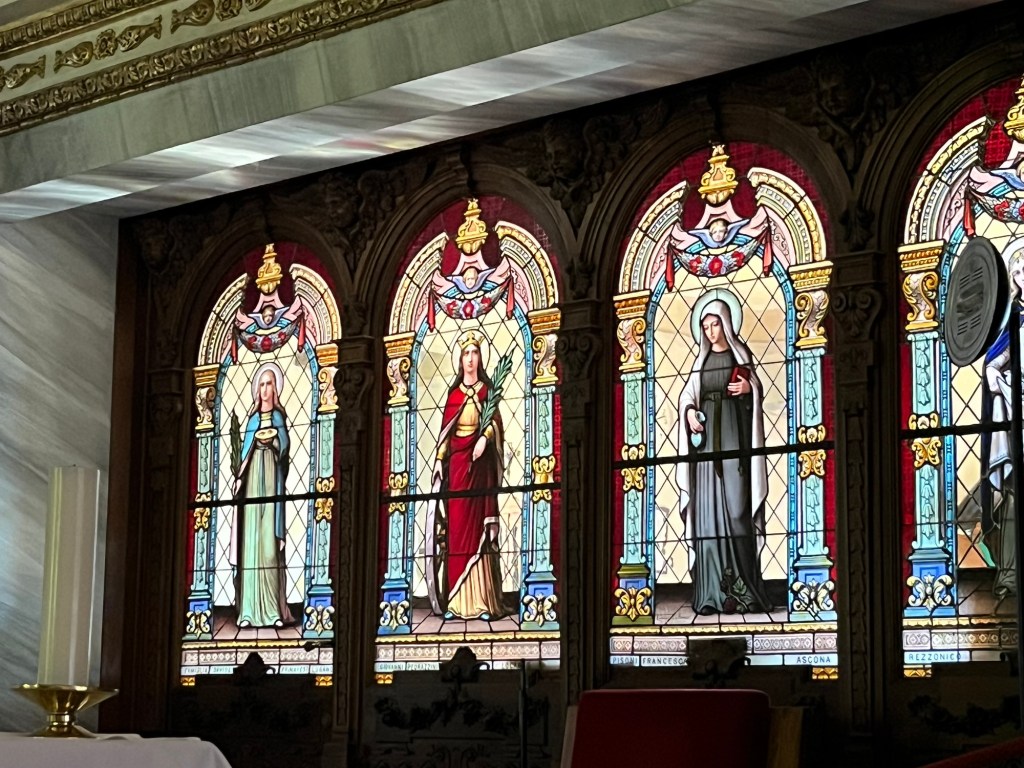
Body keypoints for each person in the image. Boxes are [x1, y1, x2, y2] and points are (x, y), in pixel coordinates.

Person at [676, 298, 772, 615]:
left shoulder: (740, 355)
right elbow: (688, 396)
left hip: (735, 443)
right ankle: (710, 594)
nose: (710, 331)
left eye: (715, 324)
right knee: (706, 515)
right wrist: (689, 413)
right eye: (705, 327)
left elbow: (755, 390)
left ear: (727, 324)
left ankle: (745, 592)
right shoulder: (701, 362)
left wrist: (749, 390)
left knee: (737, 511)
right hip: (706, 453)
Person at [426, 330, 507, 621]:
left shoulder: (487, 392)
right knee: (458, 532)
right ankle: (455, 603)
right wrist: (439, 460)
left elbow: (494, 423)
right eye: (465, 354)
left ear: (480, 358)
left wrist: (485, 437)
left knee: (479, 532)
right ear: (460, 360)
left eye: (474, 353)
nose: (470, 359)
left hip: (480, 468)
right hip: (458, 468)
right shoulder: (454, 396)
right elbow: (446, 435)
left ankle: (484, 602)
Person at [232, 362, 292, 628]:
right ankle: (247, 612)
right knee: (252, 546)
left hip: (271, 480)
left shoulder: (278, 418)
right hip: (253, 482)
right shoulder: (252, 421)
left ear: (275, 388)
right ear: (257, 389)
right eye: (262, 384)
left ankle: (272, 611)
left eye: (270, 384)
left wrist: (275, 442)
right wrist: (239, 476)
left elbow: (285, 447)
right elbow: (244, 453)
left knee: (268, 547)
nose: (266, 389)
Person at [980, 247, 1024, 600]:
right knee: (1013, 495)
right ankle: (1010, 574)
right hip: (1018, 412)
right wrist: (996, 376)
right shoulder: (1015, 320)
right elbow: (995, 362)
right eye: (1019, 272)